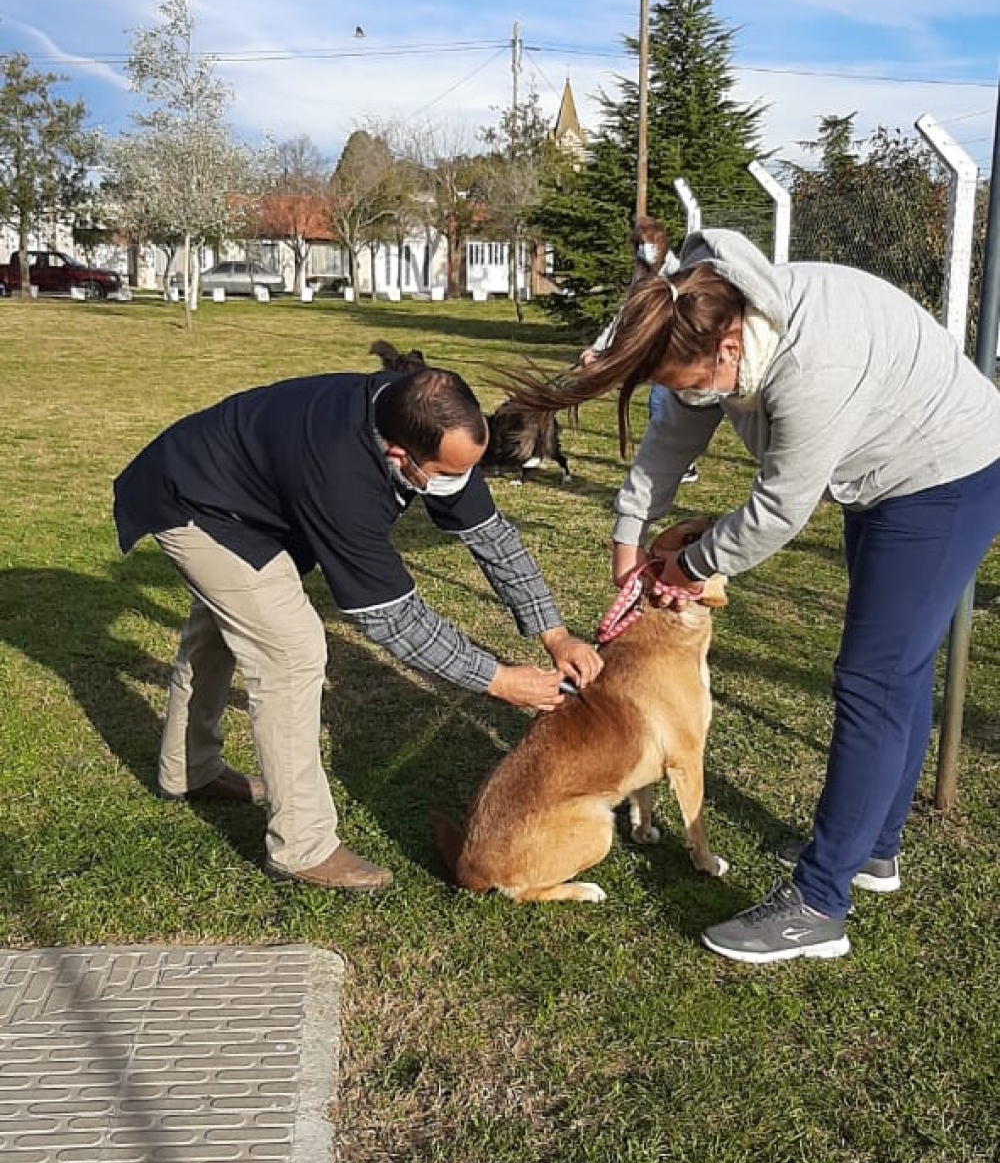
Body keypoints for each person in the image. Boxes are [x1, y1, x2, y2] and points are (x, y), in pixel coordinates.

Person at [509, 228, 1000, 966]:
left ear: (730, 350)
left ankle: (818, 904)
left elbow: (778, 510)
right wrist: (627, 533)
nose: (686, 398)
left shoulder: (813, 359)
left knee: (871, 676)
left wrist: (687, 566)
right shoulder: (703, 317)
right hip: (882, 481)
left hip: (945, 474)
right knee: (895, 668)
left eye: (688, 383)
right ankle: (874, 851)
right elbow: (667, 446)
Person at [114, 364, 602, 893]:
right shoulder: (342, 476)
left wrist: (554, 632)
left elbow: (493, 538)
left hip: (251, 495)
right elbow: (393, 618)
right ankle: (301, 845)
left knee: (225, 628)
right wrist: (497, 679)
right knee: (290, 650)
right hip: (195, 504)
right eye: (444, 473)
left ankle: (190, 769)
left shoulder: (424, 422)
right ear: (398, 457)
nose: (458, 484)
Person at [578, 214, 698, 483]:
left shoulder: (677, 274)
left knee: (664, 403)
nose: (643, 253)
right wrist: (599, 349)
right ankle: (680, 463)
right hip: (661, 350)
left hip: (679, 349)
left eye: (647, 245)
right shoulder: (643, 275)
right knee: (661, 404)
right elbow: (625, 314)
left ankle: (680, 464)